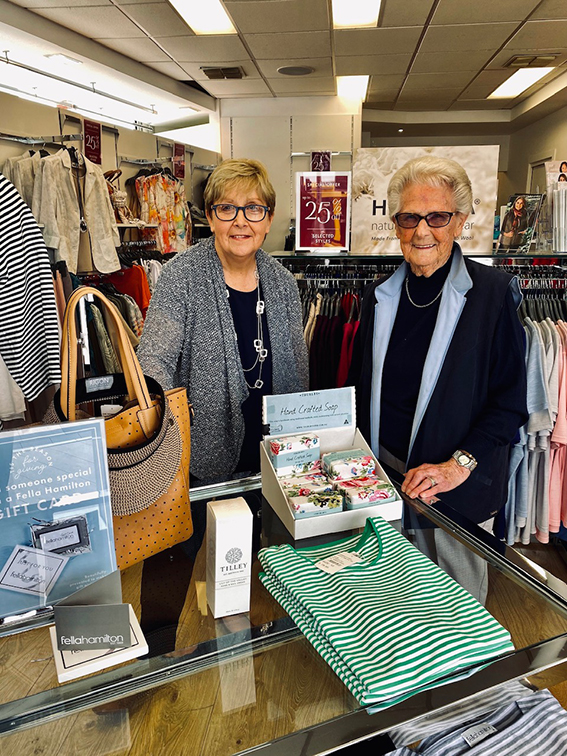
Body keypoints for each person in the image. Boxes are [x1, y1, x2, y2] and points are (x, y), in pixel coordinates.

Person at [136, 158, 308, 653]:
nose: (240, 221)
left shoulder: (281, 282)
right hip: (205, 463)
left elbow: (296, 366)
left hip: (273, 458)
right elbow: (157, 362)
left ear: (269, 218)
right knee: (197, 572)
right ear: (208, 217)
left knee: (267, 568)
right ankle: (189, 661)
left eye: (253, 209)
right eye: (227, 208)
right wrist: (150, 402)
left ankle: (263, 652)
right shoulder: (181, 277)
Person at [350, 155, 528, 602]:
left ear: (460, 221)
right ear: (395, 224)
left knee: (456, 615)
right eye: (410, 217)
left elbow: (510, 405)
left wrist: (457, 467)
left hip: (456, 493)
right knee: (389, 605)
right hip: (385, 486)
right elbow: (361, 389)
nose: (422, 230)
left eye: (437, 216)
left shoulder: (492, 295)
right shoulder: (378, 296)